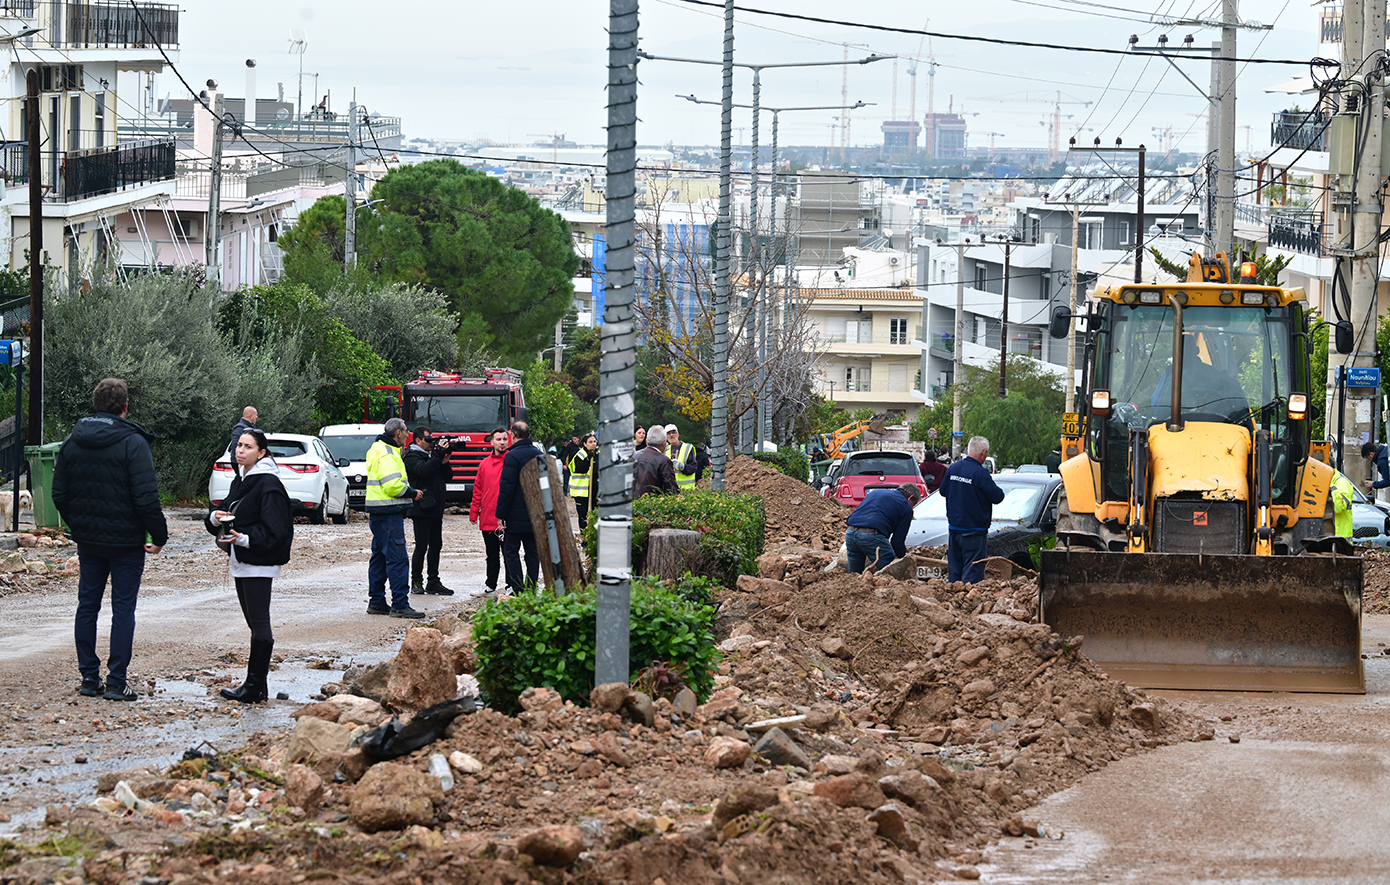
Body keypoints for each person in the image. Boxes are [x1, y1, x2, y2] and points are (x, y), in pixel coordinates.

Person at [52, 378, 168, 702]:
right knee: (123, 609)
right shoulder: (133, 443)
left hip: (89, 542)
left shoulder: (73, 442)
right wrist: (159, 535)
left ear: (96, 404)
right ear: (125, 407)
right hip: (126, 543)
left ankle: (89, 677)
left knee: (87, 605)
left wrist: (79, 524)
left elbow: (59, 493)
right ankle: (117, 680)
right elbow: (146, 498)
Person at [205, 428, 293, 704]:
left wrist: (243, 538)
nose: (240, 451)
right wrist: (214, 518)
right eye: (239, 446)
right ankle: (259, 686)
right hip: (242, 559)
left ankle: (254, 686)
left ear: (262, 453)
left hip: (258, 561)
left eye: (248, 447)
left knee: (260, 624)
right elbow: (227, 512)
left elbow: (277, 530)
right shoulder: (242, 479)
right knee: (254, 625)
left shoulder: (268, 483)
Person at [365, 418, 425, 618]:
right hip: (389, 512)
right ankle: (400, 603)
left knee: (380, 558)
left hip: (379, 512)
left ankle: (377, 601)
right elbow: (392, 485)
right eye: (406, 431)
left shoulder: (377, 448)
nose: (408, 435)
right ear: (398, 433)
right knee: (397, 559)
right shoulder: (389, 453)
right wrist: (411, 492)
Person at [942, 435, 1007, 585]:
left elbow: (943, 491)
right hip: (974, 531)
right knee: (972, 572)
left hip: (954, 529)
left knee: (955, 570)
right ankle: (967, 603)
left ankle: (953, 600)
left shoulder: (954, 468)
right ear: (984, 453)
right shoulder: (980, 473)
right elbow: (997, 497)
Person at [403, 426, 453, 596]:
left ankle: (433, 581)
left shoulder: (433, 456)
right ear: (418, 440)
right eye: (427, 439)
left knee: (436, 545)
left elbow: (448, 477)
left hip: (436, 506)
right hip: (421, 507)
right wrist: (438, 455)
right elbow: (424, 471)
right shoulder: (411, 455)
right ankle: (416, 581)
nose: (431, 443)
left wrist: (444, 462)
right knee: (421, 546)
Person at [496, 420, 545, 593]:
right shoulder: (539, 455)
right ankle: (531, 587)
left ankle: (517, 587)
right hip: (535, 513)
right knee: (532, 552)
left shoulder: (512, 456)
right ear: (529, 435)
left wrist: (500, 513)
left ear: (513, 435)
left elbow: (507, 487)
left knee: (510, 551)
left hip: (515, 514)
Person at [844, 483, 922, 573]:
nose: (913, 506)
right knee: (891, 573)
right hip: (872, 536)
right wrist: (902, 556)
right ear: (910, 498)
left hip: (850, 532)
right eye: (914, 503)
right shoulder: (906, 506)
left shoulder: (876, 493)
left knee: (855, 574)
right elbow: (897, 541)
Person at [469, 427, 509, 594]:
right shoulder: (484, 464)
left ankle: (511, 584)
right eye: (498, 439)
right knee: (491, 554)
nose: (502, 442)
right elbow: (478, 489)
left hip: (506, 517)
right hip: (488, 516)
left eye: (504, 439)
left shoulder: (511, 461)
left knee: (509, 554)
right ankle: (490, 584)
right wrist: (474, 512)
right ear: (491, 442)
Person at [633, 423, 678, 499]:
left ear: (647, 441)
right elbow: (671, 490)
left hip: (634, 505)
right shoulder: (664, 461)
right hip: (654, 506)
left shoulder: (634, 456)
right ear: (664, 443)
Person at [567, 432, 598, 528]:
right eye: (590, 442)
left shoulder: (597, 454)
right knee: (583, 517)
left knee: (595, 516)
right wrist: (588, 459)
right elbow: (581, 469)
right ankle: (584, 539)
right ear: (584, 444)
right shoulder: (580, 455)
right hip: (582, 493)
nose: (593, 444)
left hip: (594, 491)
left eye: (595, 441)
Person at [665, 424, 697, 491]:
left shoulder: (687, 448)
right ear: (666, 437)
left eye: (673, 432)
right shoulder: (665, 450)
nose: (671, 435)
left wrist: (682, 466)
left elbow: (694, 468)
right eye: (669, 433)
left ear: (678, 434)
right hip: (671, 490)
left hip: (686, 490)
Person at [1331, 467, 1356, 538]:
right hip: (1334, 536)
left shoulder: (1341, 482)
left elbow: (1339, 507)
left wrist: (1331, 487)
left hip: (1340, 538)